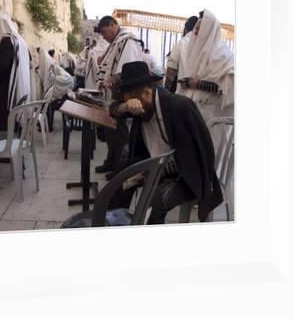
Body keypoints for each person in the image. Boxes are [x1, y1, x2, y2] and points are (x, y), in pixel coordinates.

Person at [108, 61, 223, 224]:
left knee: (154, 200)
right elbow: (112, 110)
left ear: (147, 92)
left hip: (187, 174)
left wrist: (154, 172)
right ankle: (115, 223)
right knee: (120, 178)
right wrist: (125, 106)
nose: (135, 112)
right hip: (158, 165)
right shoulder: (140, 106)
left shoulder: (179, 107)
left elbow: (197, 156)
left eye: (132, 100)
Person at [94, 16, 146, 175]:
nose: (103, 36)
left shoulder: (128, 42)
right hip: (113, 95)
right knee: (111, 132)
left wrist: (111, 81)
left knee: (119, 135)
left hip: (124, 96)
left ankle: (119, 169)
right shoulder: (117, 42)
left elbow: (127, 70)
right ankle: (110, 162)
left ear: (113, 25)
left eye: (104, 32)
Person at [176, 9, 234, 129]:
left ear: (209, 30)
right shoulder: (196, 53)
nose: (195, 32)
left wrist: (198, 85)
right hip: (193, 113)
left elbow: (226, 89)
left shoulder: (222, 54)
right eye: (196, 28)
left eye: (199, 29)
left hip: (213, 117)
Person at [0, 13, 31, 131]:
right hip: (17, 85)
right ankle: (13, 139)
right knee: (12, 118)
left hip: (8, 87)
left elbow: (4, 65)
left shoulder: (6, 40)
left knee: (4, 118)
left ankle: (3, 144)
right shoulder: (18, 40)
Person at [165, 15, 199, 92]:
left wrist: (167, 89)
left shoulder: (181, 44)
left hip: (183, 93)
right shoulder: (206, 44)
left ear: (186, 29)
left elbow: (171, 71)